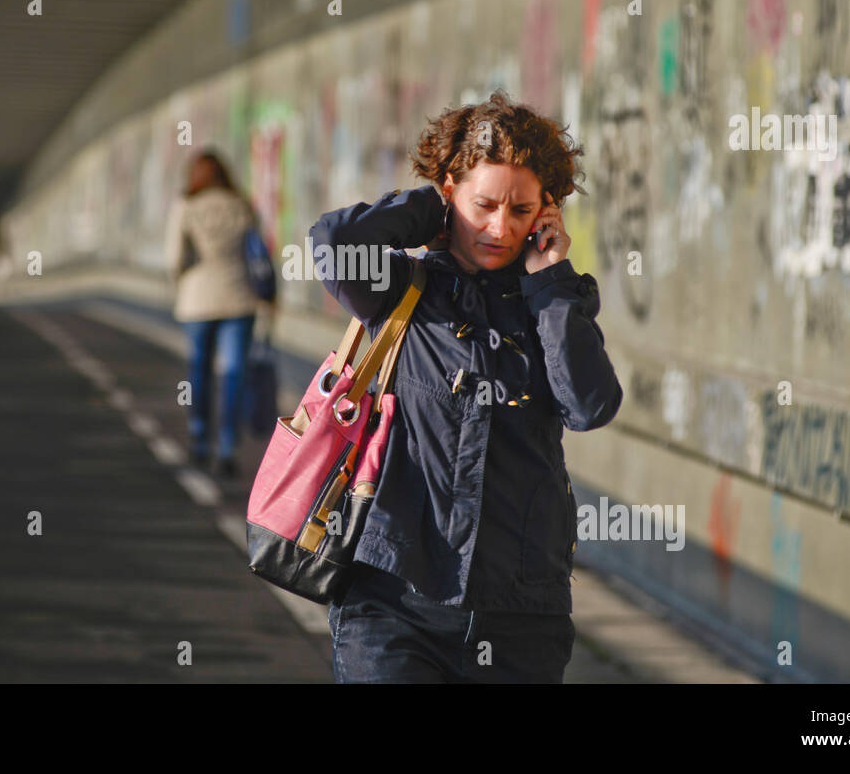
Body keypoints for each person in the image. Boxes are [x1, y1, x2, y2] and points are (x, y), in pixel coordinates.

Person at [310, 90, 623, 683]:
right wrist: (430, 210)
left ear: (547, 213)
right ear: (452, 188)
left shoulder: (554, 299)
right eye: (484, 204)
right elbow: (333, 245)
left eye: (522, 211)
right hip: (394, 602)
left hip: (520, 614)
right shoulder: (403, 287)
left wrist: (550, 284)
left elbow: (589, 405)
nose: (500, 228)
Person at [165, 149, 270, 478]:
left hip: (197, 301)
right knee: (233, 373)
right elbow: (260, 254)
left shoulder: (186, 207)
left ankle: (199, 439)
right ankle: (227, 446)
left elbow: (173, 259)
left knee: (199, 371)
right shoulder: (241, 206)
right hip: (238, 299)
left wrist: (183, 281)